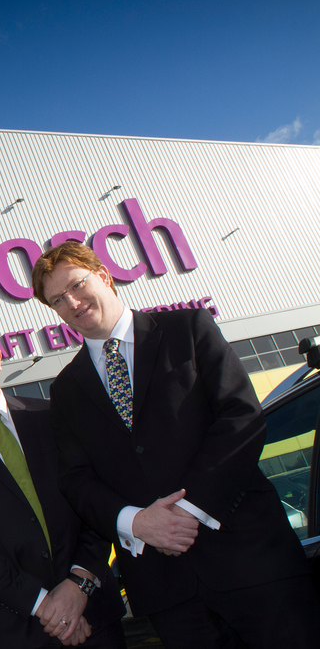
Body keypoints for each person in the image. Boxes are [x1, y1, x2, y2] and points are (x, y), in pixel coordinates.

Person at [30, 240, 320, 649]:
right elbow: (76, 481)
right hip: (168, 594)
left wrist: (188, 510)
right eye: (58, 299)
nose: (73, 302)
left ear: (104, 276)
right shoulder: (65, 390)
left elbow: (241, 417)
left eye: (77, 285)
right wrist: (136, 522)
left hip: (255, 565)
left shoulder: (189, 328)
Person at [0, 324, 127, 649]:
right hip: (16, 629)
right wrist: (44, 605)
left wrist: (77, 586)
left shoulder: (51, 414)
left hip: (93, 613)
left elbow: (91, 500)